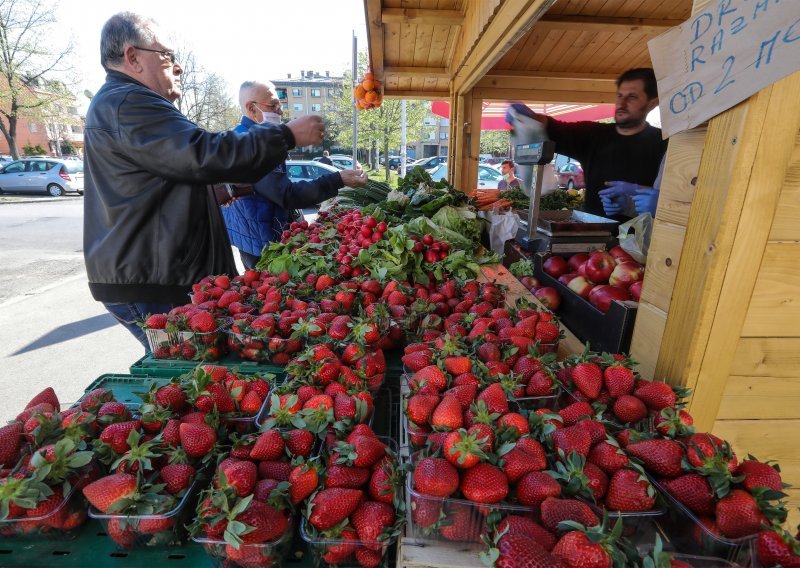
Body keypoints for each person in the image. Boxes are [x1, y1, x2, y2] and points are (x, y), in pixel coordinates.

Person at [83, 12, 325, 351]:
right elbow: (200, 153)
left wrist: (217, 190)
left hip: (158, 274)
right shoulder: (127, 102)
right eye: (166, 56)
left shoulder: (127, 102)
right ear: (132, 57)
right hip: (154, 281)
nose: (177, 67)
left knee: (202, 373)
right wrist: (285, 135)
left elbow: (168, 175)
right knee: (193, 376)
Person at [222, 81, 368, 270]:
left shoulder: (241, 136)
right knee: (269, 290)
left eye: (280, 105)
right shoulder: (254, 146)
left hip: (251, 236)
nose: (280, 111)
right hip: (263, 244)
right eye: (274, 105)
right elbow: (285, 194)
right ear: (251, 108)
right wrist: (338, 179)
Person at [509, 68, 667, 219]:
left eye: (632, 97)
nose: (622, 103)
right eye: (619, 96)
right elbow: (553, 129)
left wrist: (651, 202)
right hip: (590, 235)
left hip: (641, 242)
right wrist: (526, 117)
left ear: (652, 103)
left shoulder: (666, 145)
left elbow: (676, 200)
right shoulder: (593, 135)